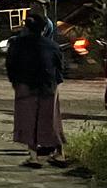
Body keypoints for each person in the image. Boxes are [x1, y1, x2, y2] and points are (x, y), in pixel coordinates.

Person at [6, 14, 66, 168]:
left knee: (28, 119)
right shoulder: (53, 46)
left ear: (26, 27)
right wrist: (56, 84)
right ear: (44, 29)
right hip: (48, 85)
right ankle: (60, 154)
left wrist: (14, 82)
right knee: (51, 119)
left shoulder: (17, 43)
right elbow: (59, 67)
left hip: (25, 85)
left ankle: (33, 157)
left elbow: (10, 64)